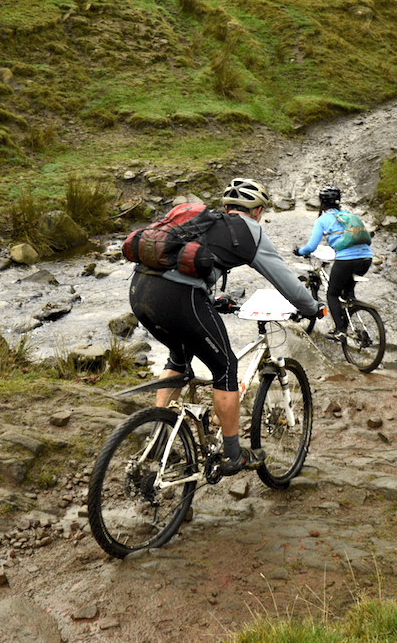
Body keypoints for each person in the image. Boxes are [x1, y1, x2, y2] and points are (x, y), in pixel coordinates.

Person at [128, 178, 324, 476]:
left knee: (178, 358)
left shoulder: (204, 222)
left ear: (227, 207)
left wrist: (212, 298)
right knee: (225, 366)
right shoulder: (251, 230)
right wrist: (313, 307)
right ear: (257, 211)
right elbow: (284, 281)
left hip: (140, 290)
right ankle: (233, 456)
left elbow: (192, 265)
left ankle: (160, 435)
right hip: (180, 299)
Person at [293, 185, 373, 343]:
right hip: (366, 259)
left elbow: (311, 247)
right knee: (346, 292)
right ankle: (351, 312)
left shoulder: (323, 220)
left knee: (332, 294)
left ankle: (339, 331)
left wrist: (299, 251)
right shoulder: (348, 215)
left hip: (347, 260)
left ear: (322, 203)